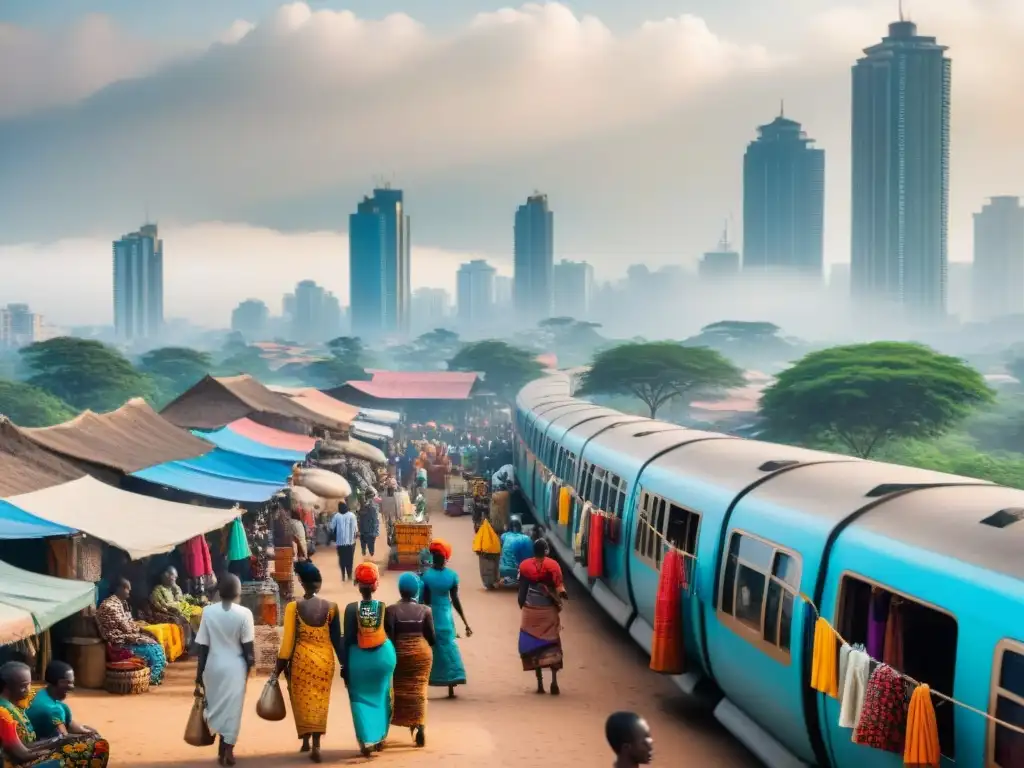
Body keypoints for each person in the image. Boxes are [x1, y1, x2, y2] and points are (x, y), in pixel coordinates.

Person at [275, 561, 343, 763]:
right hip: (324, 662)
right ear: (319, 584)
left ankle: (305, 740)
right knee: (320, 702)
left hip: (301, 661)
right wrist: (345, 664)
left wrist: (277, 669)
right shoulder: (332, 608)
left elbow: (287, 644)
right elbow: (337, 641)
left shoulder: (293, 608)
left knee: (302, 700)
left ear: (301, 583)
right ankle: (316, 744)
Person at [194, 574, 255, 767]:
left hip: (213, 667)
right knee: (232, 710)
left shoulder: (208, 612)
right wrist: (249, 669)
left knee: (216, 706)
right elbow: (249, 650)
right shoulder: (245, 614)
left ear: (219, 592)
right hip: (235, 668)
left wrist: (199, 676)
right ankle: (228, 747)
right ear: (238, 592)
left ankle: (222, 745)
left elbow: (202, 648)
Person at [0, 661, 109, 767]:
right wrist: (50, 749)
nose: (30, 689)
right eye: (26, 685)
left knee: (81, 743)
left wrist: (56, 742)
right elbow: (22, 754)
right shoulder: (3, 715)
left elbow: (25, 746)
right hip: (19, 763)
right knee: (96, 747)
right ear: (8, 687)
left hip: (26, 752)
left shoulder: (13, 704)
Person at [342, 562, 398, 757]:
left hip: (358, 662)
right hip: (383, 660)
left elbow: (348, 640)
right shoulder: (384, 608)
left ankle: (366, 741)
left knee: (358, 700)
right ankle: (380, 738)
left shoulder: (351, 609)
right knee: (383, 696)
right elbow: (390, 635)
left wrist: (344, 666)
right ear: (375, 585)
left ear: (358, 584)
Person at [384, 572, 435, 747]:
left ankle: (386, 728)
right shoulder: (425, 610)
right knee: (420, 690)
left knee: (396, 691)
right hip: (421, 654)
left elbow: (389, 637)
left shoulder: (391, 610)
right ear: (416, 590)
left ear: (400, 590)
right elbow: (432, 638)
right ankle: (420, 727)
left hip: (399, 654)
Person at [420, 539, 471, 698]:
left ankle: (428, 682)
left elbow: (425, 600)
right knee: (449, 647)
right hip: (446, 618)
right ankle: (451, 684)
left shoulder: (426, 576)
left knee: (431, 649)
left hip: (431, 616)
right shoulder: (452, 576)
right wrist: (465, 622)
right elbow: (455, 600)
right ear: (446, 558)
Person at [518, 539, 568, 695]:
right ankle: (554, 682)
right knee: (552, 643)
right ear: (546, 551)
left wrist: (524, 608)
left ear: (534, 551)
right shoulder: (553, 566)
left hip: (530, 611)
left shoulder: (525, 566)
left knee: (533, 646)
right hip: (548, 611)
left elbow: (521, 593)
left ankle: (540, 685)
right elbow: (560, 588)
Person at [96, 577, 168, 685]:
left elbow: (129, 625)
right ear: (119, 589)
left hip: (126, 639)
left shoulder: (121, 603)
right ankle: (150, 679)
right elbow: (128, 628)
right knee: (153, 650)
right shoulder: (111, 606)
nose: (129, 591)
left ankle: (152, 677)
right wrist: (141, 631)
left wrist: (140, 631)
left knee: (155, 645)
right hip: (119, 644)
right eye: (127, 588)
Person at [25, 661, 98, 740]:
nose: (72, 687)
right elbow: (63, 738)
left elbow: (69, 724)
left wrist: (85, 730)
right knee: (98, 744)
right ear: (60, 682)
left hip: (38, 738)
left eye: (72, 682)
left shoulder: (41, 693)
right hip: (38, 746)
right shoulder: (53, 710)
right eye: (68, 683)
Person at [150, 565, 199, 649]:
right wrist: (176, 607)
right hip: (167, 613)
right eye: (173, 576)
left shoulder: (172, 589)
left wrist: (176, 588)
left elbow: (180, 600)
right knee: (184, 619)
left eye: (176, 577)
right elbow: (160, 605)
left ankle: (197, 644)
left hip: (177, 611)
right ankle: (187, 646)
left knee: (197, 613)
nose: (175, 579)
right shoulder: (158, 589)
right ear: (165, 575)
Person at [498, 516, 534, 587]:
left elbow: (501, 547)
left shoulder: (504, 536)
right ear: (520, 527)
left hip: (503, 570)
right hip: (522, 571)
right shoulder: (526, 538)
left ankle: (511, 577)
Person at [330, 503, 358, 583]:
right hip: (351, 542)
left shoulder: (336, 516)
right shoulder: (352, 515)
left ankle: (343, 575)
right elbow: (356, 529)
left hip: (340, 543)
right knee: (350, 559)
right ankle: (349, 576)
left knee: (342, 559)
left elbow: (331, 527)